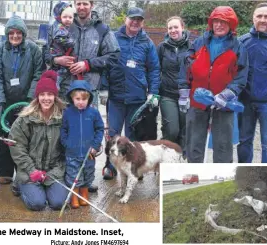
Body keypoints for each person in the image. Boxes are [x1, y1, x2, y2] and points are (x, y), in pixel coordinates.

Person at [178, 6, 248, 163]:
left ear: (231, 24)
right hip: (197, 101)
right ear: (211, 23)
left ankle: (222, 174)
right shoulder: (198, 43)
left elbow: (241, 76)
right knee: (194, 143)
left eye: (224, 22)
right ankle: (194, 171)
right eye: (216, 21)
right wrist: (183, 93)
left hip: (224, 103)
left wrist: (226, 94)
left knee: (223, 145)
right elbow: (185, 68)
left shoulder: (238, 47)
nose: (219, 25)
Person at [100, 7, 160, 179]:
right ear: (126, 19)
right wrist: (104, 88)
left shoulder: (147, 43)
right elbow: (105, 63)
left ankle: (133, 167)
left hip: (137, 98)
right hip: (116, 97)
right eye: (132, 19)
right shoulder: (113, 38)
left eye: (139, 20)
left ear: (143, 22)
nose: (135, 22)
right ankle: (110, 167)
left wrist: (153, 92)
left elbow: (154, 69)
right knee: (113, 135)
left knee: (133, 138)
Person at [0, 16, 44, 187]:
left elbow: (38, 74)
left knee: (26, 137)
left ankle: (25, 171)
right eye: (11, 33)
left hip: (26, 102)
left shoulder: (33, 50)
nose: (14, 36)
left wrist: (30, 99)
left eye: (18, 32)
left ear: (23, 34)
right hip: (5, 103)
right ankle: (5, 172)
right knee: (6, 137)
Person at [8, 70, 68, 211]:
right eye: (42, 95)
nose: (46, 98)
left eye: (50, 94)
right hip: (29, 171)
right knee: (37, 204)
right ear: (37, 97)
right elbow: (17, 147)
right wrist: (31, 170)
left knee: (58, 203)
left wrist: (56, 172)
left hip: (53, 171)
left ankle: (48, 188)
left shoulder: (64, 118)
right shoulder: (25, 119)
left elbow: (67, 150)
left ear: (55, 96)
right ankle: (21, 184)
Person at [45, 0, 120, 105]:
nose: (81, 7)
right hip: (64, 89)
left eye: (85, 4)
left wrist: (87, 64)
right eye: (79, 4)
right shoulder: (63, 24)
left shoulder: (102, 29)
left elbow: (114, 56)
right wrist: (56, 60)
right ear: (75, 4)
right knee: (63, 121)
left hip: (88, 90)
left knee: (87, 121)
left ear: (92, 5)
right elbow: (46, 51)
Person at [237, 2, 267, 163]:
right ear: (253, 18)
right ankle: (246, 175)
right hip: (245, 102)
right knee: (244, 142)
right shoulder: (241, 42)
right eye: (259, 16)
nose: (263, 19)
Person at [61, 80, 104, 209]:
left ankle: (84, 195)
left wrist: (95, 146)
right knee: (73, 175)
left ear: (89, 98)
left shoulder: (93, 113)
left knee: (88, 174)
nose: (81, 102)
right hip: (72, 152)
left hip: (88, 153)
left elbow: (99, 129)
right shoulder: (67, 113)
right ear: (72, 98)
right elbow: (63, 129)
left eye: (84, 99)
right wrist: (66, 143)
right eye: (77, 99)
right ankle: (75, 197)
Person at [157, 16, 192, 153]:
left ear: (182, 28)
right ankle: (164, 159)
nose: (173, 30)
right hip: (167, 95)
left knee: (185, 131)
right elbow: (155, 69)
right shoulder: (162, 47)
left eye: (176, 27)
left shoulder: (192, 47)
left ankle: (180, 159)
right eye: (170, 28)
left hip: (187, 96)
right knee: (172, 130)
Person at [49, 2, 76, 87]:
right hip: (57, 54)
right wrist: (72, 42)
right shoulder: (59, 26)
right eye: (65, 17)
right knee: (58, 76)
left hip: (60, 55)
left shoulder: (64, 26)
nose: (68, 19)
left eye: (70, 17)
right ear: (59, 16)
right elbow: (59, 37)